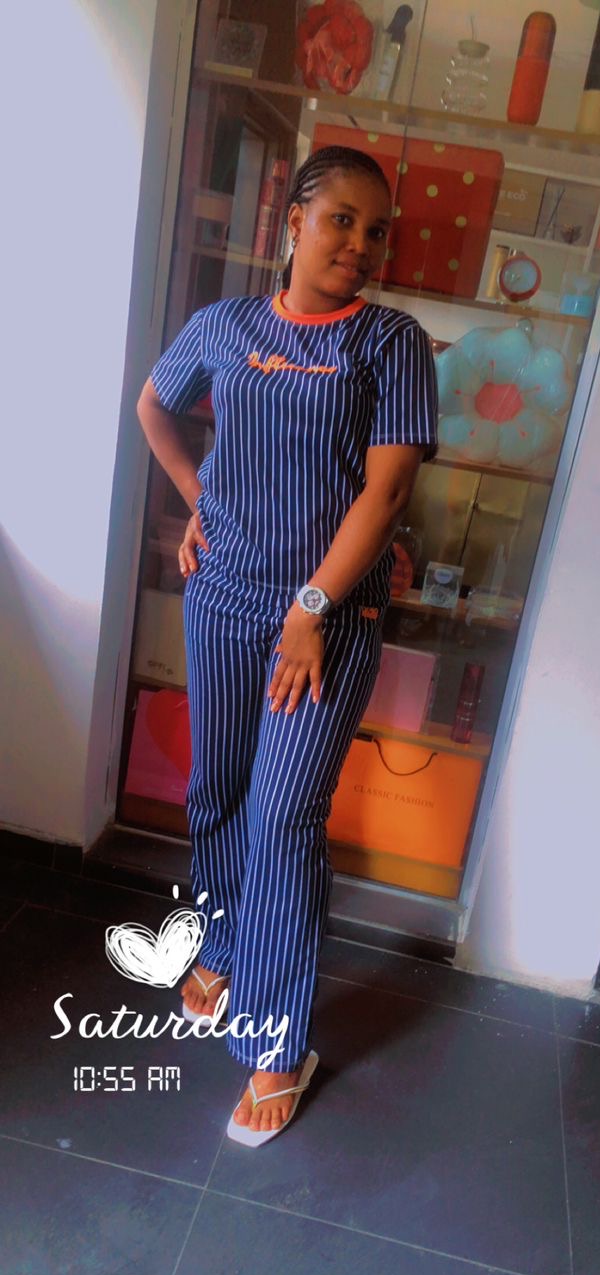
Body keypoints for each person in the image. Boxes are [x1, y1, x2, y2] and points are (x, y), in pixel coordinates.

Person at [136, 145, 438, 1145]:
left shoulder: (390, 343)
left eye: (376, 230)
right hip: (222, 599)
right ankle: (224, 944)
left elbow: (387, 493)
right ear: (294, 220)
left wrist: (311, 606)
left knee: (284, 820)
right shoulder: (224, 325)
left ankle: (277, 1041)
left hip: (326, 623)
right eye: (341, 219)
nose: (360, 243)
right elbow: (154, 404)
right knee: (216, 792)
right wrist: (199, 498)